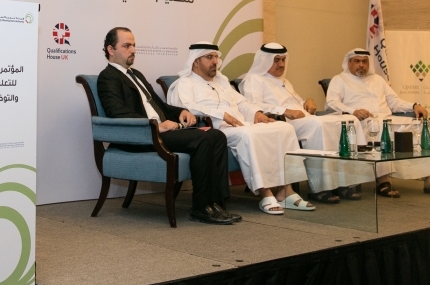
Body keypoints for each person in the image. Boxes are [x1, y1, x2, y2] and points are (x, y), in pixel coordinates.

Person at [97, 28, 241, 225]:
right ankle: (200, 208)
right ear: (111, 49)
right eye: (127, 46)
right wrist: (157, 125)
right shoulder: (107, 77)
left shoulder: (135, 74)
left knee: (217, 136)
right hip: (143, 136)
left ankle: (216, 203)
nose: (133, 50)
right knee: (201, 138)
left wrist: (180, 112)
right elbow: (117, 113)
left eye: (134, 45)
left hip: (161, 131)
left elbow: (159, 105)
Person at [167, 42, 314, 215]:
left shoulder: (221, 81)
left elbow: (242, 103)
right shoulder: (184, 83)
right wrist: (221, 114)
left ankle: (286, 191)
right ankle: (265, 192)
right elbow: (185, 108)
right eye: (209, 57)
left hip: (241, 124)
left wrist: (256, 113)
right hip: (216, 130)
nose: (215, 61)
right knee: (248, 135)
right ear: (196, 61)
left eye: (216, 57)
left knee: (284, 128)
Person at [240, 43, 367, 203]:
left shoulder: (283, 81)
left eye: (283, 60)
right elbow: (254, 106)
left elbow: (296, 102)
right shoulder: (254, 80)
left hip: (303, 118)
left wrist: (308, 100)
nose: (281, 64)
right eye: (276, 60)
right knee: (318, 125)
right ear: (264, 60)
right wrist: (284, 111)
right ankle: (320, 187)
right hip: (282, 122)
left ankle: (345, 182)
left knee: (348, 121)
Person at [326, 48, 430, 197]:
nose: (361, 65)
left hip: (386, 117)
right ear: (349, 63)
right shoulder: (340, 80)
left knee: (421, 126)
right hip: (361, 122)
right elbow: (331, 103)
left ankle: (427, 176)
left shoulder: (378, 80)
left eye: (364, 61)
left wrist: (414, 105)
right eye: (357, 61)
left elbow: (394, 102)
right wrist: (353, 111)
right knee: (382, 127)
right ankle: (383, 180)